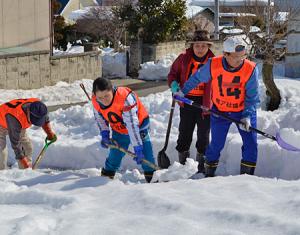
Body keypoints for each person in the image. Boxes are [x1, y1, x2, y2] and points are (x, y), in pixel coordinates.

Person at [176, 36, 260, 177]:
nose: (240, 60)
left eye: (242, 56)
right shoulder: (213, 65)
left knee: (251, 145)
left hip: (244, 111)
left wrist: (247, 115)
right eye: (236, 57)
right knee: (215, 145)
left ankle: (247, 180)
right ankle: (209, 176)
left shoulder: (250, 69)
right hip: (220, 111)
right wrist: (183, 91)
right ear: (225, 54)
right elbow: (197, 78)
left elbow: (252, 96)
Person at [91, 77, 156, 183]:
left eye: (107, 96)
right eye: (100, 97)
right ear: (95, 95)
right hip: (119, 130)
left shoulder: (125, 98)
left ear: (112, 90)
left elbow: (132, 125)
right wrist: (105, 134)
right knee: (114, 157)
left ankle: (153, 181)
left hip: (139, 128)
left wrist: (138, 147)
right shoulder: (95, 100)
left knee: (146, 157)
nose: (104, 100)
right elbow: (100, 118)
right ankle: (105, 181)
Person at [167, 30, 214, 173]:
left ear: (208, 47)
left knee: (203, 134)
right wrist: (174, 85)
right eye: (197, 46)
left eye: (203, 46)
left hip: (205, 103)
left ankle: (201, 165)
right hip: (186, 100)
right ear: (192, 46)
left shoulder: (214, 62)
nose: (200, 49)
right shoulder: (183, 58)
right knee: (184, 132)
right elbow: (172, 74)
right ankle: (183, 163)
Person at [0, 98, 57, 169]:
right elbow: (15, 144)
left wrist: (49, 133)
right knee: (2, 152)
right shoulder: (15, 117)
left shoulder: (39, 107)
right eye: (34, 120)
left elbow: (45, 119)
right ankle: (2, 174)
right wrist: (23, 161)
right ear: (28, 111)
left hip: (18, 124)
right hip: (2, 122)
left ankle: (25, 173)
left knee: (28, 147)